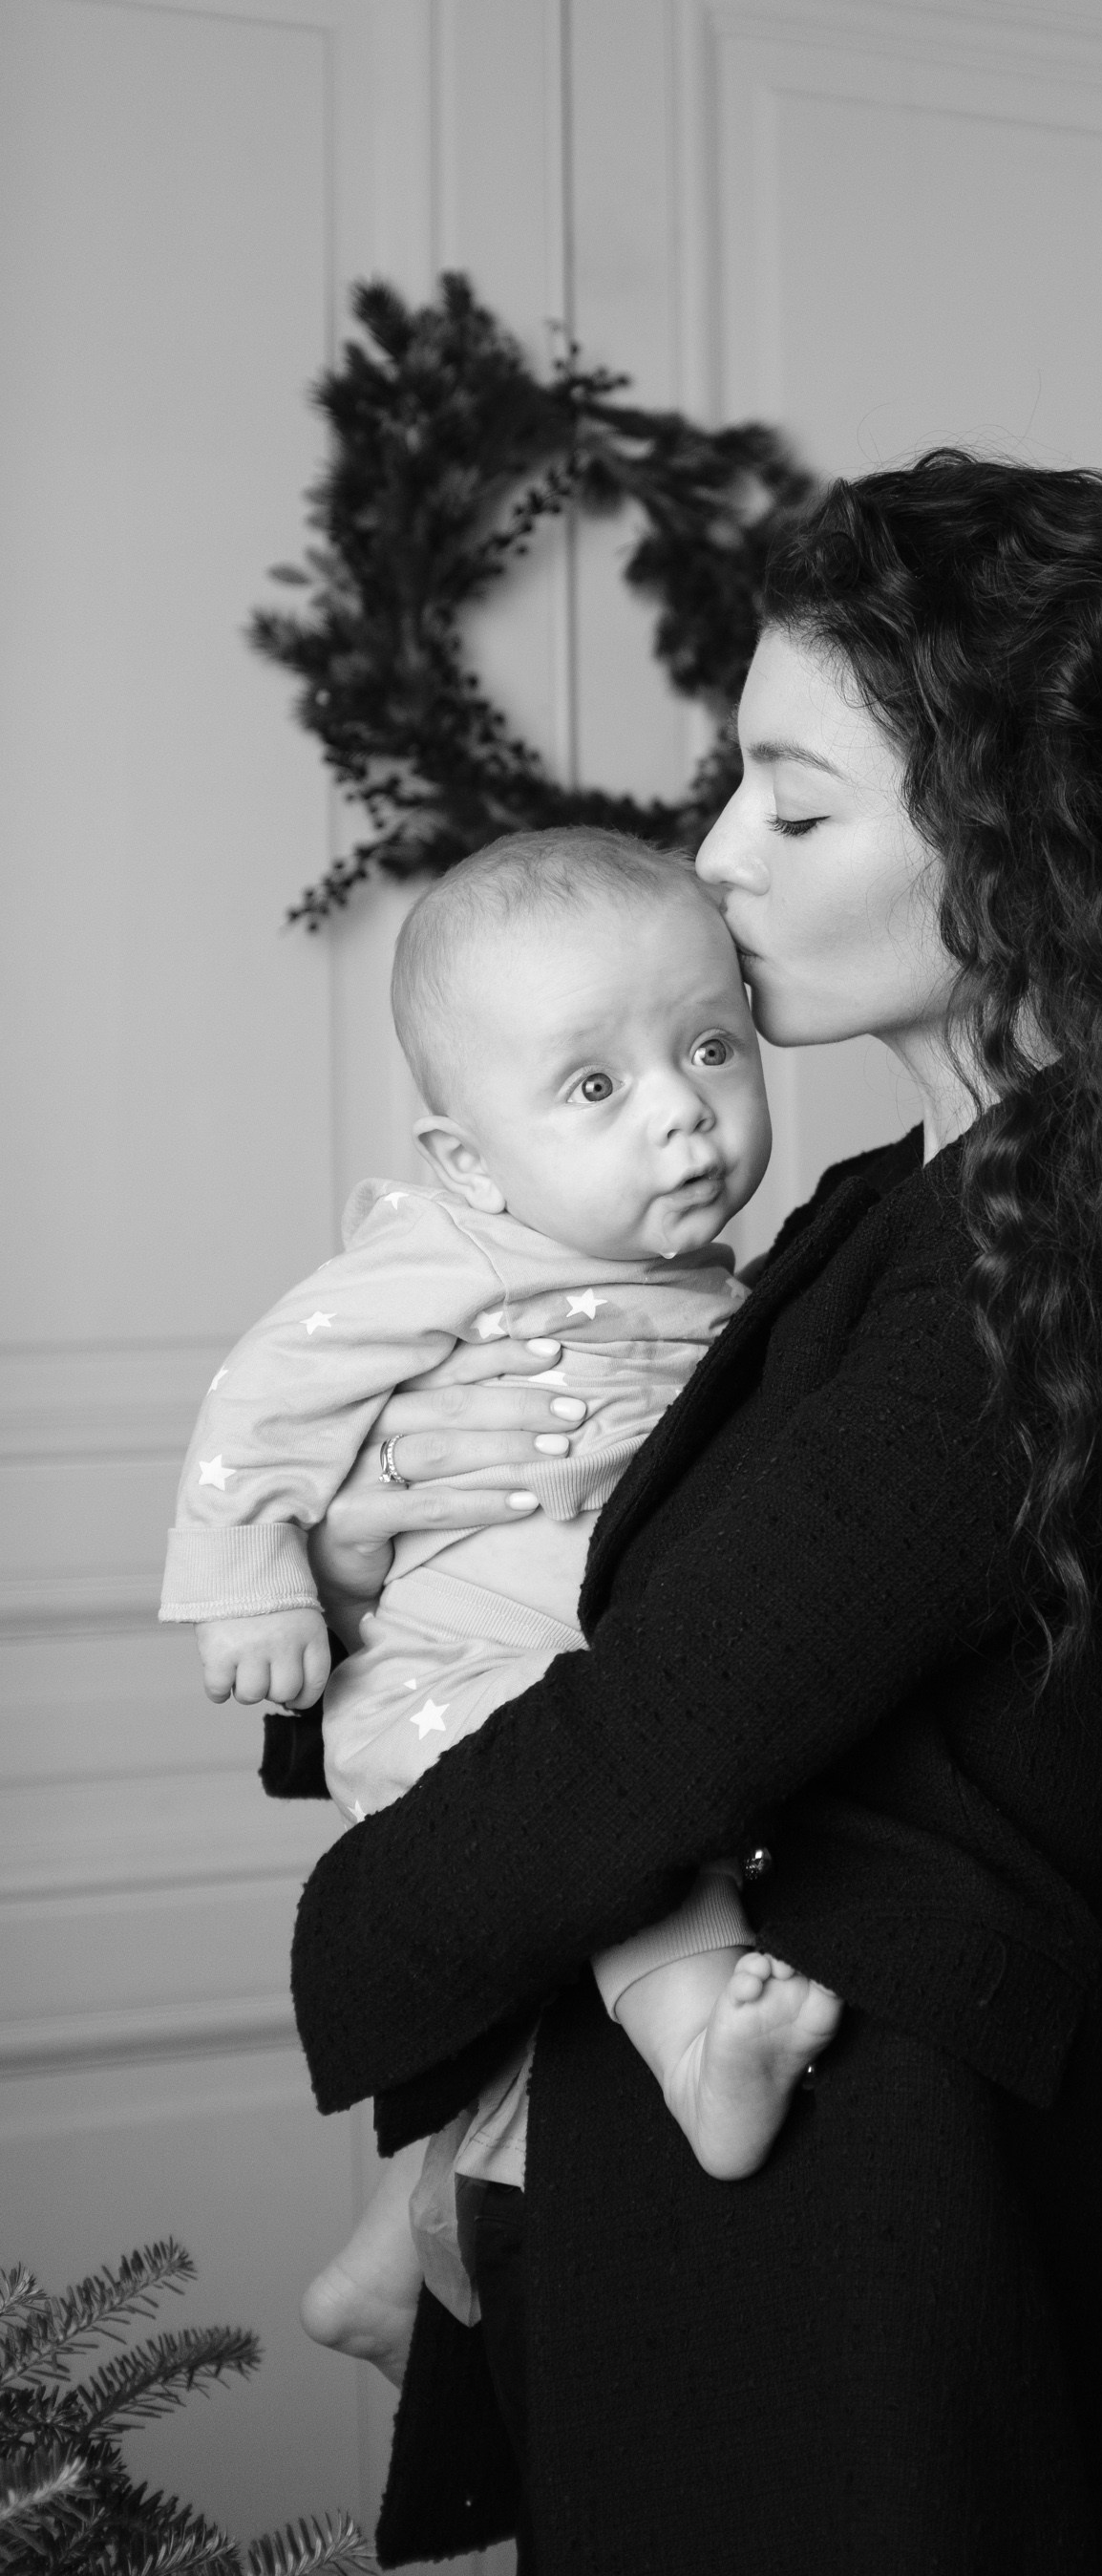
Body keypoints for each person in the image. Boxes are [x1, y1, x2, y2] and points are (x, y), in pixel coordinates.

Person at [282, 451, 1102, 2575]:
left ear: (1028, 840)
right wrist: (344, 1565)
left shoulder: (1053, 1242)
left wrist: (355, 1927)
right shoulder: (899, 1205)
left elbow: (664, 1726)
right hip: (764, 2178)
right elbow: (614, 1587)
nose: (719, 855)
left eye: (797, 797)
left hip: (860, 2225)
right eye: (731, 784)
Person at [159, 830, 838, 2376]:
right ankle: (697, 2053)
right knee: (612, 1820)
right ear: (469, 1158)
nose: (682, 1109)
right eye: (593, 1087)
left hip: (570, 1685)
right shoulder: (449, 1248)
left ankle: (396, 2257)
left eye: (710, 1046)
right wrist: (265, 1575)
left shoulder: (741, 1292)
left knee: (573, 1917)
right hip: (449, 1687)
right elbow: (267, 1389)